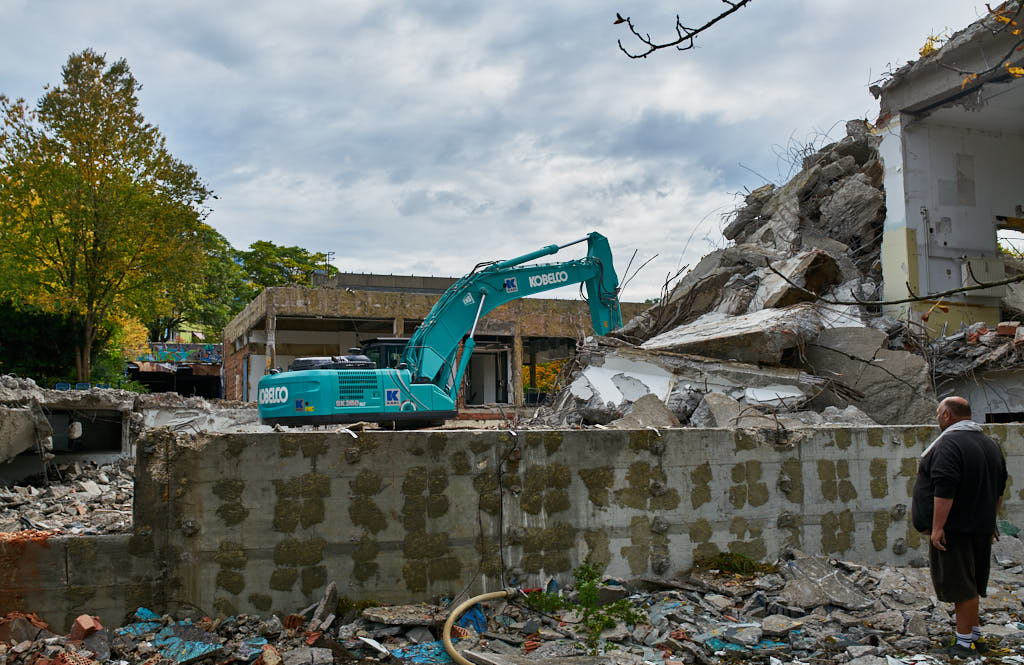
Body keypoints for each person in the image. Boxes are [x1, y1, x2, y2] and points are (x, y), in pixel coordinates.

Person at [912, 396, 1007, 658]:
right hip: (979, 526)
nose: (938, 417)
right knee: (972, 584)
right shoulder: (989, 444)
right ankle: (975, 637)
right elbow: (999, 488)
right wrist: (991, 520)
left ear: (946, 416)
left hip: (955, 530)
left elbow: (945, 487)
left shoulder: (950, 443)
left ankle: (964, 644)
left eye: (938, 413)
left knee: (961, 586)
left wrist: (937, 527)